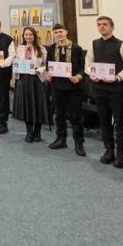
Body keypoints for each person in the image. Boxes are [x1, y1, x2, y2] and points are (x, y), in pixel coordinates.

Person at [86, 16, 123, 168]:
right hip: (99, 89)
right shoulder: (94, 44)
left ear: (112, 27)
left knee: (119, 122)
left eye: (105, 24)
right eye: (99, 25)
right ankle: (109, 151)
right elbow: (88, 65)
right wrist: (92, 74)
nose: (102, 27)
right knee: (104, 121)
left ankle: (121, 155)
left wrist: (117, 77)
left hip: (116, 89)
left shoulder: (122, 45)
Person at [44, 23, 86, 155]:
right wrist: (47, 74)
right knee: (59, 115)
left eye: (61, 31)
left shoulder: (77, 48)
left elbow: (83, 67)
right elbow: (48, 66)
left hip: (73, 87)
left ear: (66, 32)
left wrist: (78, 77)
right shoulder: (51, 48)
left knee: (76, 116)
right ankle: (61, 139)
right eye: (56, 32)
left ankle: (79, 143)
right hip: (57, 86)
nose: (59, 34)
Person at [12, 26, 49, 142]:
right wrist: (15, 73)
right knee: (26, 106)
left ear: (34, 36)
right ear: (23, 36)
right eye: (26, 35)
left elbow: (46, 65)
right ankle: (29, 132)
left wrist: (39, 69)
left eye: (30, 35)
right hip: (23, 80)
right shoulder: (19, 48)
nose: (28, 37)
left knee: (37, 106)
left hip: (36, 80)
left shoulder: (41, 49)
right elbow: (15, 63)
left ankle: (37, 132)